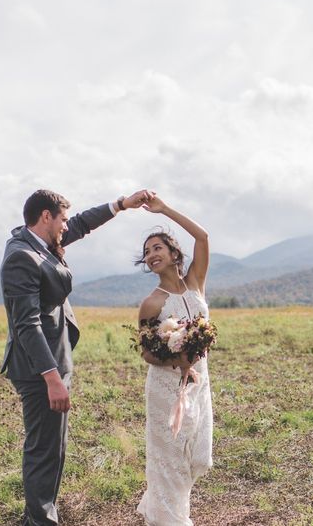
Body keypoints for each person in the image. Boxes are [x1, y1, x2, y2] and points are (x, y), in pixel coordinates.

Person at [0, 188, 153, 526]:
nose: (67, 227)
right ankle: (40, 521)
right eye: (62, 220)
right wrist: (52, 378)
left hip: (55, 359)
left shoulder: (39, 244)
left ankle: (39, 515)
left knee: (54, 448)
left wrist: (122, 205)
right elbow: (26, 325)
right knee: (44, 450)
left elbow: (82, 223)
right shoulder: (21, 257)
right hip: (40, 368)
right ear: (45, 217)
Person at [135, 195, 213, 526]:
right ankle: (170, 520)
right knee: (170, 460)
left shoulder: (195, 283)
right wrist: (177, 362)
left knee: (198, 458)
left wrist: (164, 210)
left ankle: (157, 506)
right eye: (147, 251)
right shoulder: (152, 303)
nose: (151, 255)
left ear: (172, 253)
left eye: (157, 248)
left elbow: (203, 237)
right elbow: (147, 351)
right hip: (167, 389)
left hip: (200, 384)